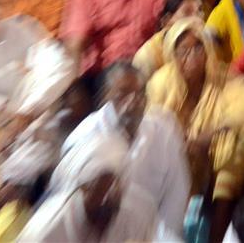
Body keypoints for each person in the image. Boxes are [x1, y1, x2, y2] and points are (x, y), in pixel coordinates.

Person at [146, 18, 244, 241]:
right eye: (183, 51)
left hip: (211, 152)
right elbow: (153, 122)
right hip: (173, 152)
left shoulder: (220, 75)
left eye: (198, 48)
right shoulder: (160, 83)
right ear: (172, 54)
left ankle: (217, 232)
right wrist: (181, 142)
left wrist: (210, 135)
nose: (192, 56)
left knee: (233, 143)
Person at [55, 61, 191, 235]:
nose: (133, 101)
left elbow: (176, 192)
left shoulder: (162, 132)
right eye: (123, 94)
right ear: (106, 96)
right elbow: (72, 203)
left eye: (140, 94)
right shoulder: (84, 137)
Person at [18, 134, 158, 242]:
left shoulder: (135, 215)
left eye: (115, 186)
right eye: (101, 189)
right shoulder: (46, 231)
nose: (108, 197)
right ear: (82, 189)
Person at [133, 0, 204, 80]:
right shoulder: (147, 57)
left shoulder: (207, 45)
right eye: (187, 12)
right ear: (166, 21)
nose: (196, 18)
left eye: (199, 11)